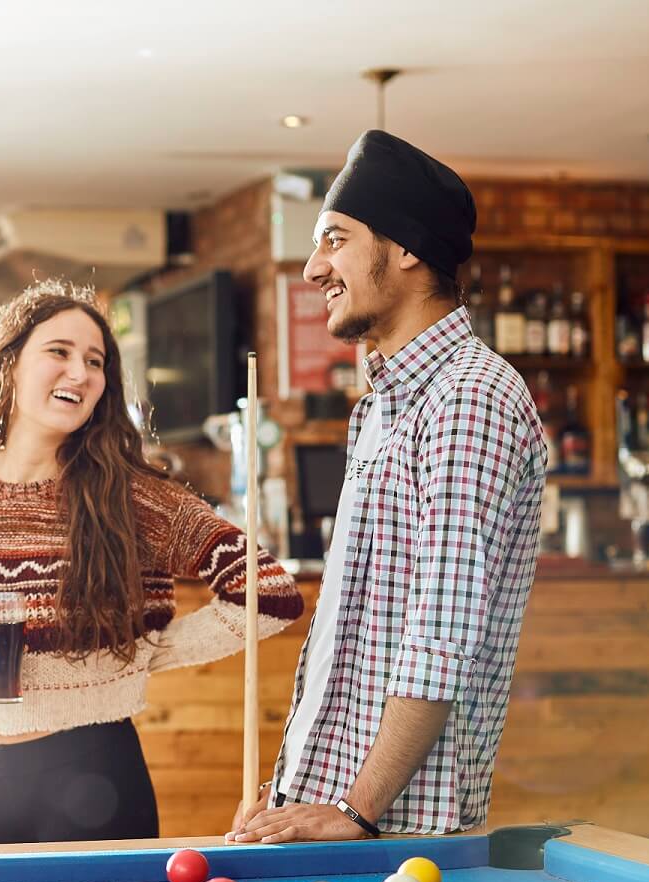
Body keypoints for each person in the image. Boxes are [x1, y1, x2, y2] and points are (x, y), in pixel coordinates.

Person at [0, 280, 304, 846]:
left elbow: (270, 592)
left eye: (95, 361)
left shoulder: (132, 495)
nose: (80, 373)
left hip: (93, 777)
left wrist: (146, 650)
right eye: (58, 351)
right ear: (8, 364)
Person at [232, 130, 547, 844]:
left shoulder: (470, 396)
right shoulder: (380, 406)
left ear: (405, 249)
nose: (314, 268)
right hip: (327, 807)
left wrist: (354, 809)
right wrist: (285, 789)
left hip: (394, 831)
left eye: (334, 240)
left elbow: (442, 632)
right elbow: (350, 635)